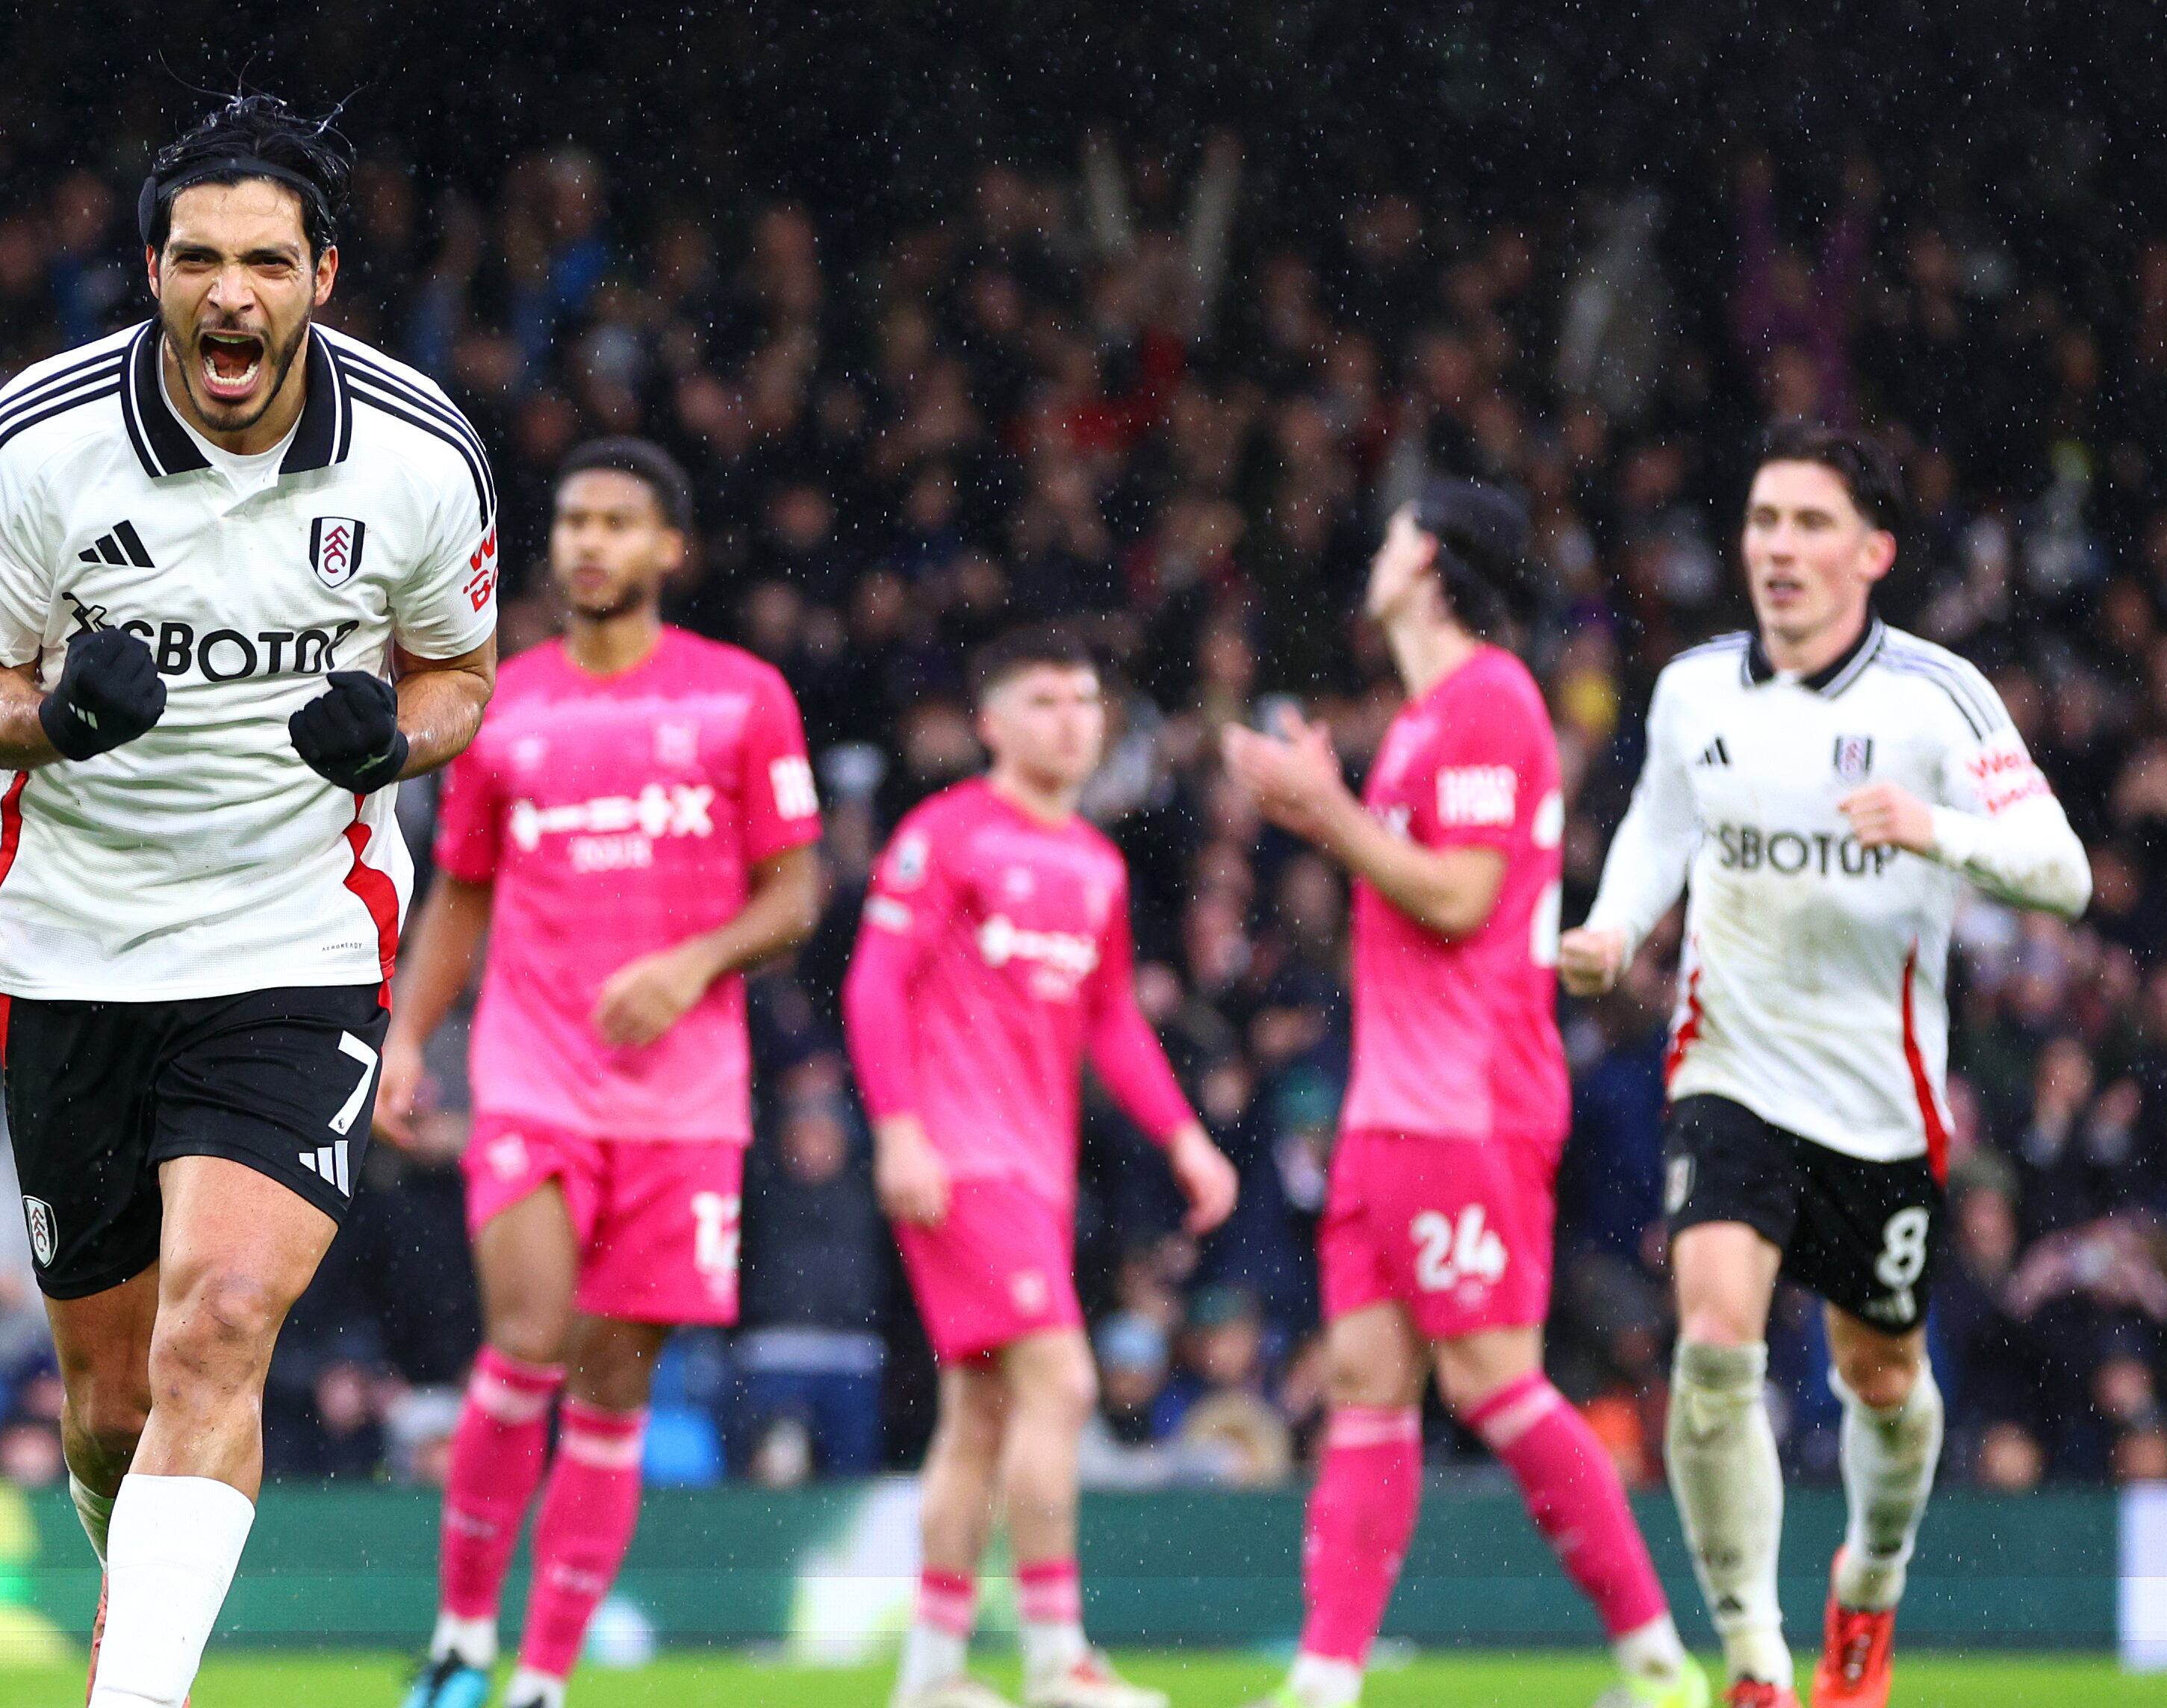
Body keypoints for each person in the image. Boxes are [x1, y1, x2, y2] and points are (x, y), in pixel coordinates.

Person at [0, 93, 500, 1708]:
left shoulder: (420, 453)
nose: (227, 293)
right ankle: (143, 1604)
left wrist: (401, 736)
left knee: (225, 1318)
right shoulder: (37, 442)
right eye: (195, 259)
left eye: (263, 259)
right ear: (153, 272)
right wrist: (55, 716)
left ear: (322, 272)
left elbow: (463, 674)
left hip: (294, 934)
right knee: (113, 1404)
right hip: (75, 940)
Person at [1559, 423, 2092, 1708]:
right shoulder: (1695, 690)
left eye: (1808, 525)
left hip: (1877, 1105)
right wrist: (1618, 927)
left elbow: (2065, 876)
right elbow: (1657, 828)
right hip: (1727, 1066)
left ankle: (1871, 1580)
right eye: (1762, 522)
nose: (1778, 549)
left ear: (1874, 552)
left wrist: (1938, 829)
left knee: (1883, 1381)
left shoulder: (1935, 697)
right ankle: (1751, 1654)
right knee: (1712, 1344)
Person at [1220, 482, 1702, 1708]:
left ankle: (1656, 1662)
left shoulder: (1490, 699)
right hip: (1392, 1104)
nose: (1371, 555)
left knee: (1493, 1383)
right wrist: (1331, 802)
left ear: (1429, 558)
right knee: (1369, 1391)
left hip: (1469, 1099)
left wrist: (1325, 814)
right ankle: (1326, 1677)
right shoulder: (1426, 718)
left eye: (1388, 537)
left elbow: (1463, 899)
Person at [379, 437, 825, 1708]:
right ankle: (464, 1640)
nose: (587, 543)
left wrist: (695, 964)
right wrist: (411, 1036)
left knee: (614, 1386)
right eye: (572, 521)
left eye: (618, 523)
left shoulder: (744, 697)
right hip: (531, 1078)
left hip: (684, 1102)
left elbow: (795, 894)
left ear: (669, 550)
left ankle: (545, 1677)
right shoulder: (501, 701)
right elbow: (460, 897)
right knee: (525, 1341)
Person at [842, 627, 1240, 1708]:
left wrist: (1185, 1137)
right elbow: (876, 986)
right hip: (964, 1163)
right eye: (1045, 701)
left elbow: (1111, 1021)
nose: (1072, 719)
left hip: (1038, 1170)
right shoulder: (947, 836)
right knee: (1061, 1383)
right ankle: (1058, 1658)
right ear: (993, 723)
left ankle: (930, 1674)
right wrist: (899, 1128)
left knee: (979, 1416)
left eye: (1083, 701)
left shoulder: (1098, 864)